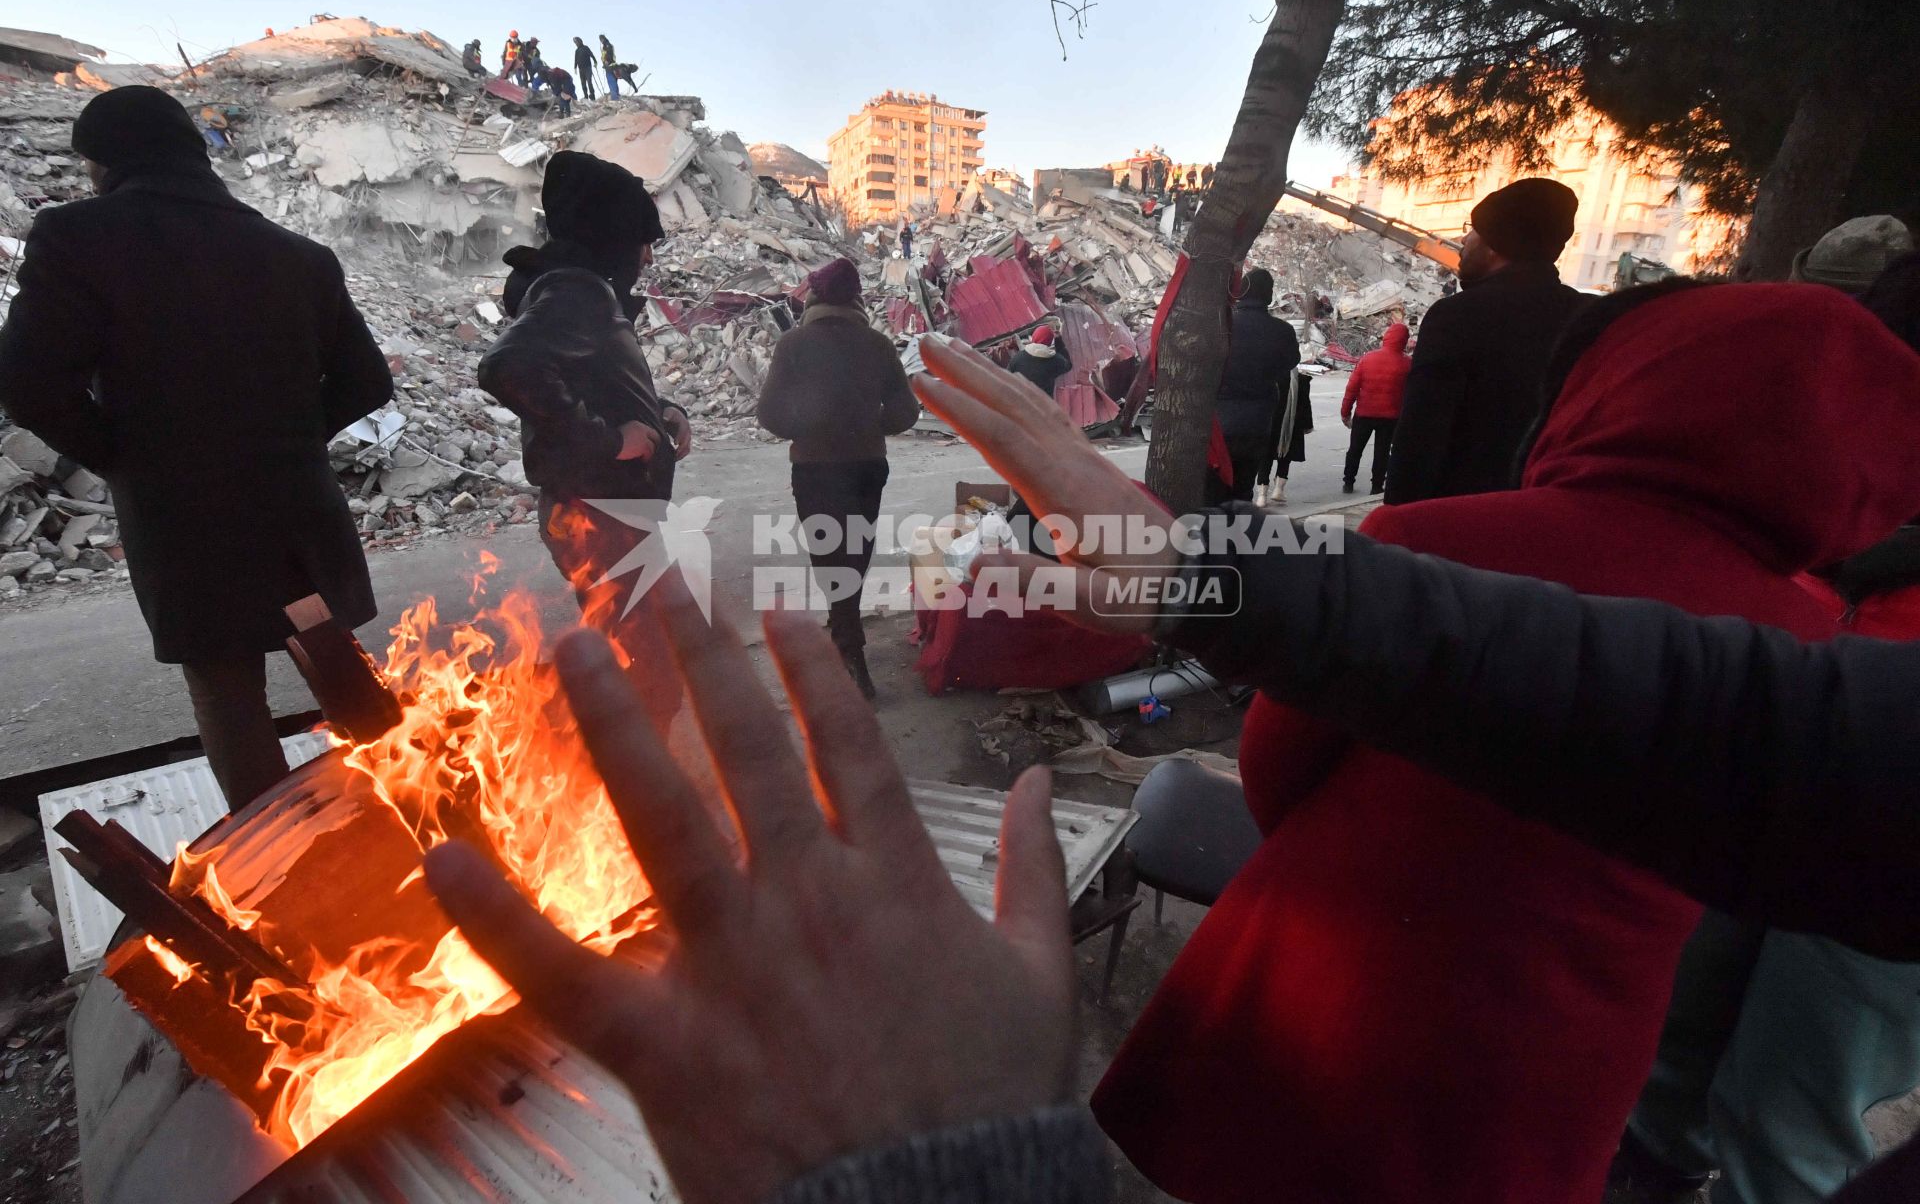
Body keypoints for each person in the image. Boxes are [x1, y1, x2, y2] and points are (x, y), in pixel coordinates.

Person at [428, 332, 1920, 1204]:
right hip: (1557, 1067)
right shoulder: (1817, 622)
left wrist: (937, 1169)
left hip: (1322, 1000)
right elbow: (1686, 725)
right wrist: (1192, 573)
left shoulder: (1460, 540)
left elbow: (1286, 764)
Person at [1102, 280, 1920, 1204]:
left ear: (1608, 388)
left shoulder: (1436, 535)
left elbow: (1279, 757)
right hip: (1565, 1033)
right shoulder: (1810, 638)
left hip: (1333, 963)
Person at [1613, 246, 1920, 1204]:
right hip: (1782, 726)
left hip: (1889, 799)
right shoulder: (1846, 431)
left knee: (1801, 1112)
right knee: (1684, 1034)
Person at [0, 86, 392, 808]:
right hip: (297, 508)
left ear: (102, 164)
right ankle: (423, 809)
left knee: (227, 686)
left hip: (186, 522)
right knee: (331, 657)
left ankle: (278, 873)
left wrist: (126, 457)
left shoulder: (76, 237)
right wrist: (294, 438)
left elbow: (27, 385)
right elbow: (367, 381)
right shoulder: (298, 255)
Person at [478, 152, 690, 712]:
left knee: (639, 651)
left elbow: (588, 379)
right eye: (641, 238)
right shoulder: (578, 291)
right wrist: (609, 440)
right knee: (652, 666)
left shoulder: (573, 288)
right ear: (611, 235)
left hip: (605, 511)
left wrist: (657, 411)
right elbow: (508, 367)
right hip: (601, 515)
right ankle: (640, 787)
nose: (647, 254)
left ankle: (629, 776)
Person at [755, 258, 919, 700]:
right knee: (855, 552)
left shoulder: (793, 344)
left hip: (815, 466)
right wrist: (869, 427)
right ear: (856, 300)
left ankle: (850, 650)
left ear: (813, 298)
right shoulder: (879, 345)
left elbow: (769, 413)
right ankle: (843, 636)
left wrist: (806, 428)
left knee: (830, 555)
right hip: (867, 464)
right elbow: (907, 413)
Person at [1384, 177, 1587, 505]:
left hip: (1457, 517)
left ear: (1496, 243)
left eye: (1474, 229)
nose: (1465, 239)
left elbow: (1420, 440)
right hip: (1545, 516)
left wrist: (1396, 522)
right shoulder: (1586, 319)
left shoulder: (1457, 317)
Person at [1212, 268, 1298, 504]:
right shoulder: (1282, 331)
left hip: (1219, 423)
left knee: (1214, 490)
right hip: (1257, 423)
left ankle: (1211, 537)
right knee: (1243, 489)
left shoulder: (1222, 326)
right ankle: (1236, 537)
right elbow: (1290, 363)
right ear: (1269, 297)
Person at [1339, 320, 1411, 494]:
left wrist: (1345, 412)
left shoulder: (1367, 359)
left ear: (1386, 338)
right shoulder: (1408, 364)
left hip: (1364, 413)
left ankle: (1349, 482)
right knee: (1382, 452)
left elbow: (1352, 387)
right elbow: (1410, 393)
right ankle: (1377, 486)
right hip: (1391, 417)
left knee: (1355, 449)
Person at [1255, 360, 1312, 506]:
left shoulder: (1265, 377)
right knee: (1285, 457)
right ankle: (1278, 490)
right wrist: (1307, 425)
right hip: (1290, 426)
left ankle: (1262, 496)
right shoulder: (1300, 379)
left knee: (1265, 458)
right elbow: (1305, 405)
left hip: (1269, 424)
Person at [1007, 324, 1070, 398]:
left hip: (1021, 403)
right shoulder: (1055, 360)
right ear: (1050, 342)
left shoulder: (1018, 358)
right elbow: (1068, 365)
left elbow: (1007, 377)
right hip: (1044, 406)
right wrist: (1058, 341)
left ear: (1034, 337)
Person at [571, 36, 598, 102]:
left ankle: (592, 96)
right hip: (581, 69)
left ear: (580, 41)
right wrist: (575, 68)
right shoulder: (577, 51)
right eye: (575, 42)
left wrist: (595, 62)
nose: (576, 43)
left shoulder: (585, 48)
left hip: (588, 68)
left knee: (589, 82)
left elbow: (592, 55)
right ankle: (586, 96)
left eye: (576, 42)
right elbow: (576, 59)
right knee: (583, 83)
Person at [599, 33, 620, 99]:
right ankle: (616, 95)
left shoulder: (607, 45)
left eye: (601, 39)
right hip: (612, 65)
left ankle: (614, 97)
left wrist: (607, 61)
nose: (601, 41)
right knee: (613, 80)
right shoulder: (606, 46)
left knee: (611, 80)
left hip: (610, 65)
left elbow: (609, 54)